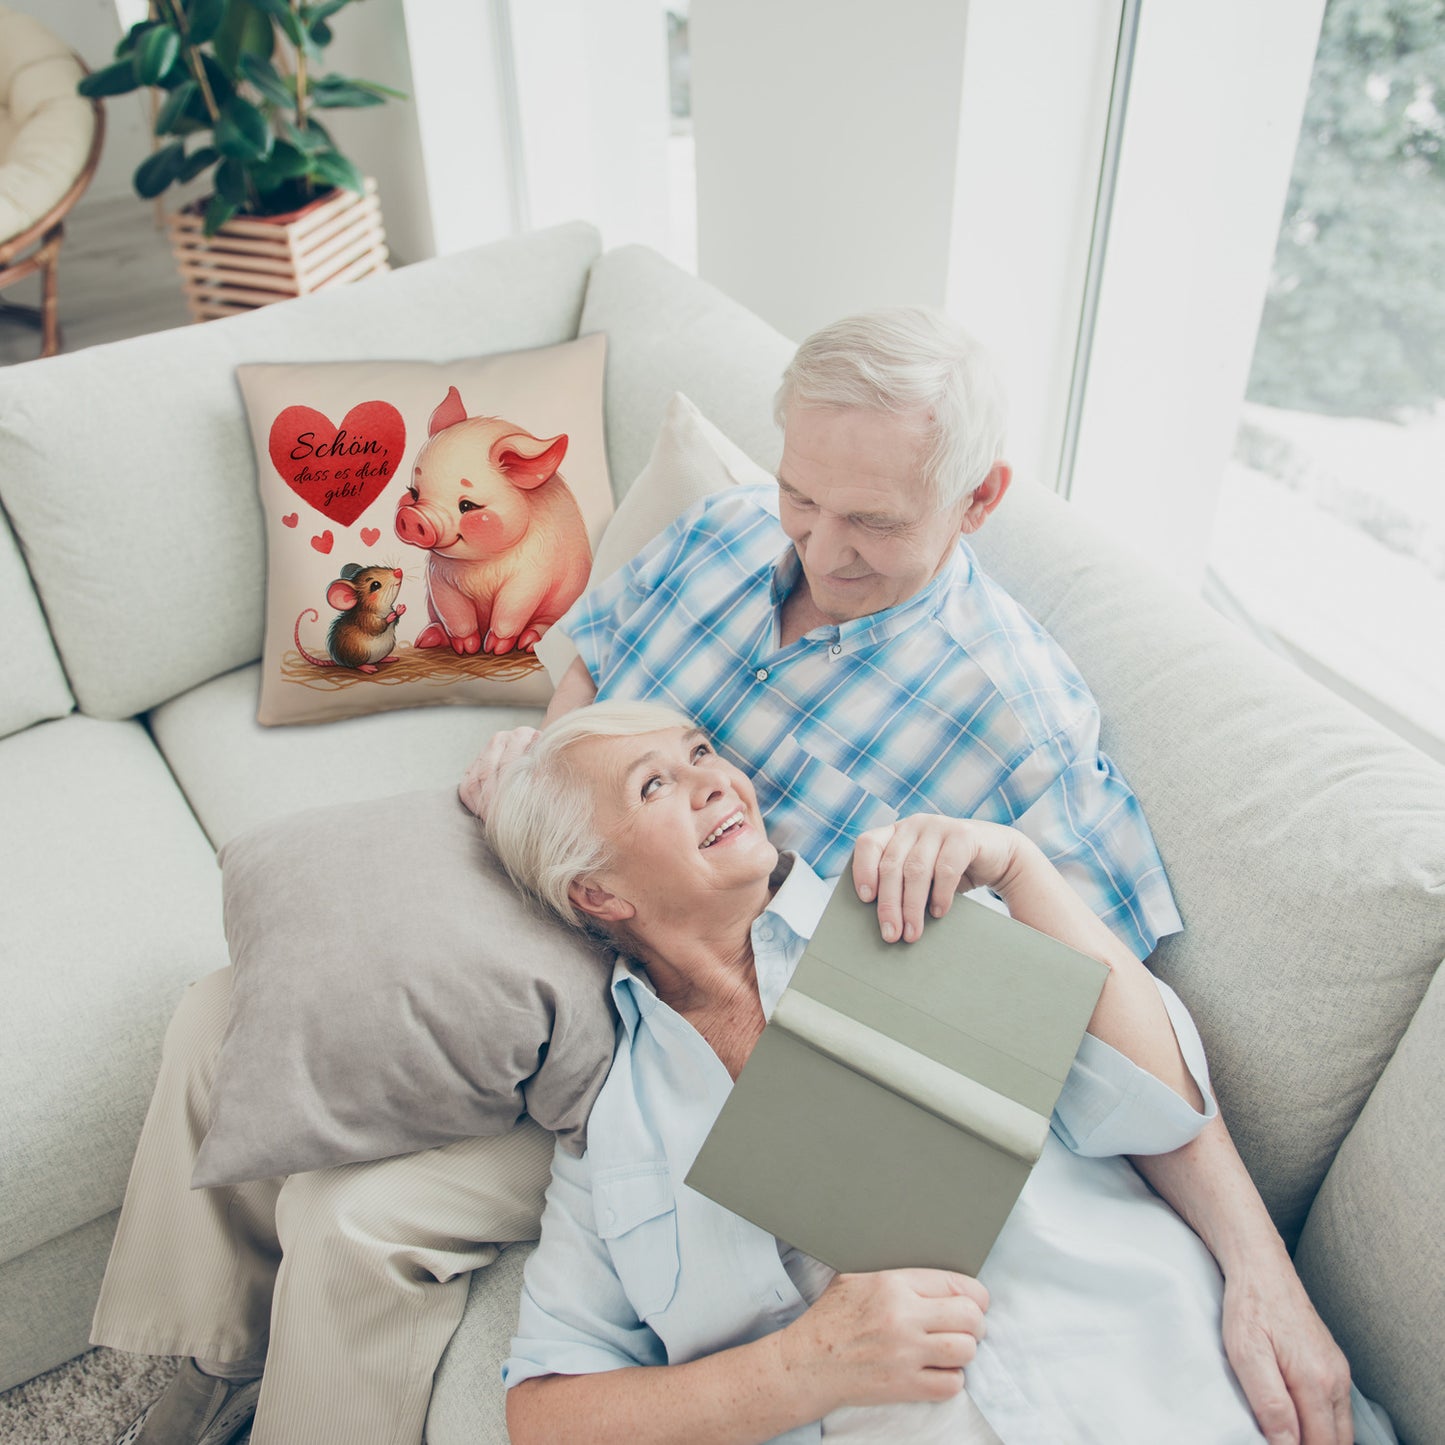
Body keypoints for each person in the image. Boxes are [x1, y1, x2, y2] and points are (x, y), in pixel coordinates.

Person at [94, 309, 1349, 1445]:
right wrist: (546, 761)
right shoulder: (726, 532)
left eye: (871, 520)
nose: (819, 545)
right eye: (804, 495)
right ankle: (194, 1362)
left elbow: (1102, 1019)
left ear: (976, 501)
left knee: (356, 1219)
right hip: (580, 886)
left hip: (692, 1011)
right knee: (229, 1007)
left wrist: (1259, 1266)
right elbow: (591, 666)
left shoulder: (1017, 725)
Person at [487, 700, 1381, 1445]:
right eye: (655, 784)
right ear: (597, 893)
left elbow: (1158, 1105)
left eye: (700, 752)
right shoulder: (614, 1132)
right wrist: (801, 1368)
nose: (714, 778)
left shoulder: (909, 906)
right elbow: (544, 1413)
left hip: (1174, 1391)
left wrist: (1021, 869)